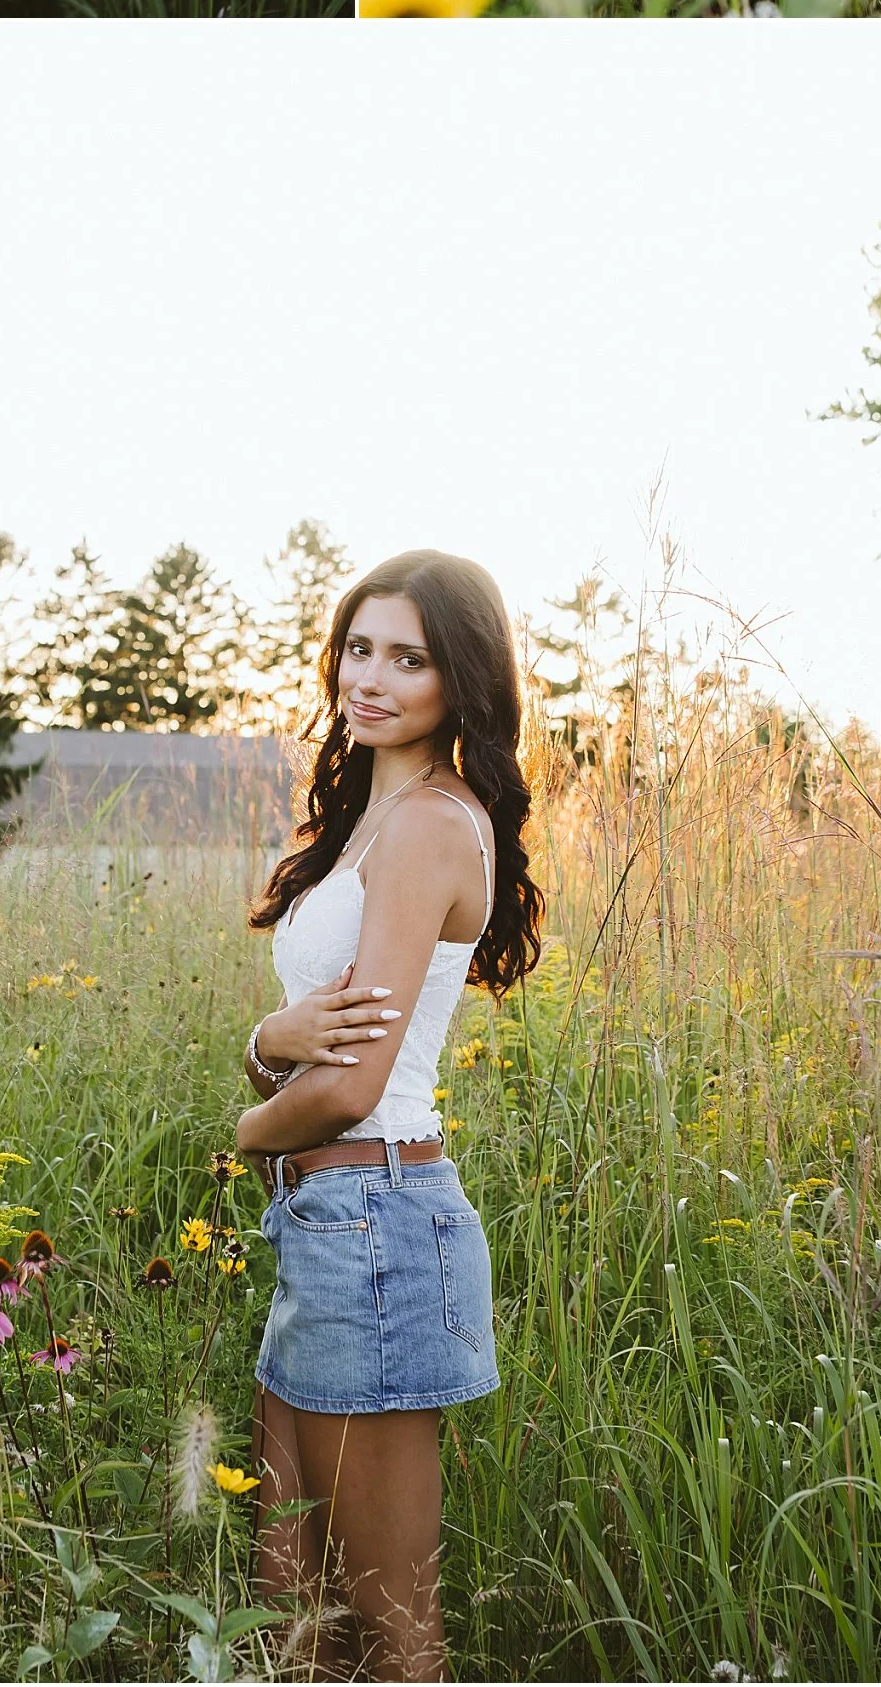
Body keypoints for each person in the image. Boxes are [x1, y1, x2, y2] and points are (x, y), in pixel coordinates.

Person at [237, 552, 542, 1682]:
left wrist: (246, 1126)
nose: (370, 676)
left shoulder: (426, 825)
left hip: (375, 1217)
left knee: (394, 1631)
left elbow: (355, 1082)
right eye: (359, 646)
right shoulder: (369, 819)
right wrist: (268, 1046)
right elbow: (303, 1036)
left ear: (459, 679)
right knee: (292, 1603)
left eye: (408, 656)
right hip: (331, 1220)